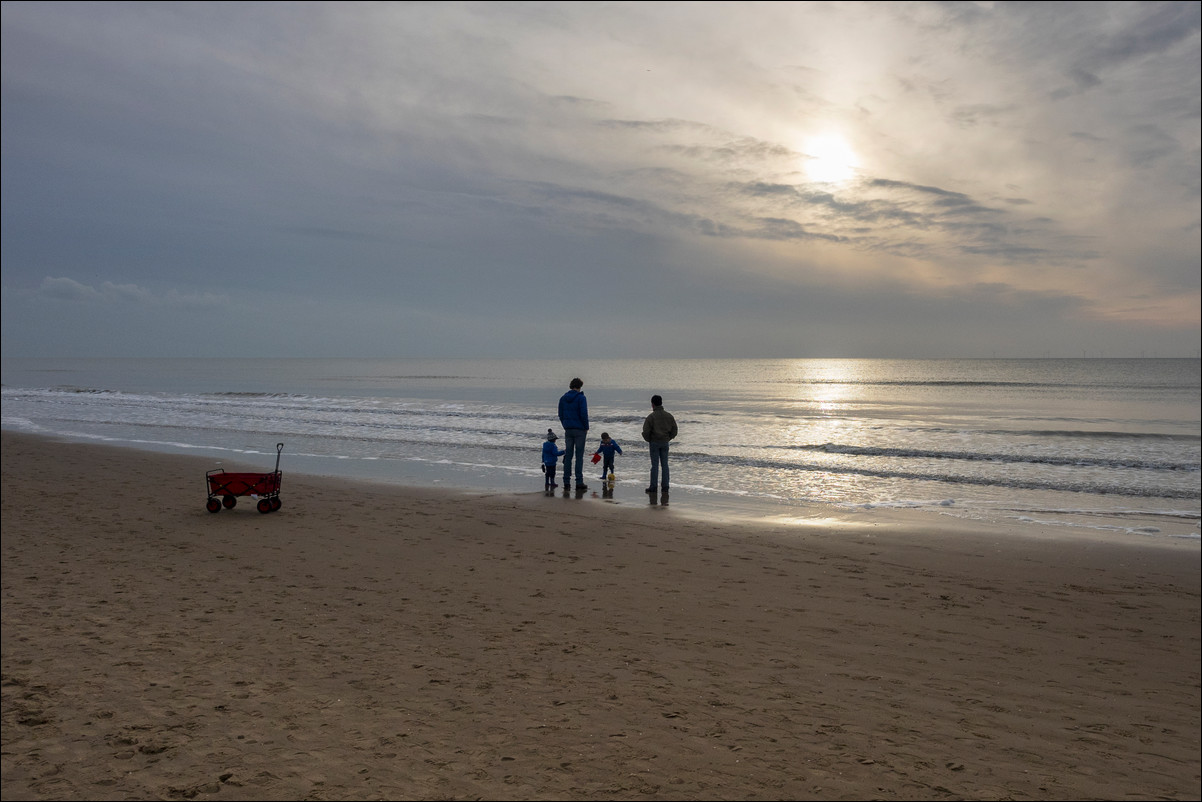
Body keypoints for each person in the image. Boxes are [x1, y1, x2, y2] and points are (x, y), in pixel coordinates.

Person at [557, 377, 589, 490]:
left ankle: (566, 481)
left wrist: (565, 425)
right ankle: (579, 481)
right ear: (579, 387)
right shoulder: (581, 398)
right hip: (579, 429)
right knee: (579, 456)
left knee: (568, 455)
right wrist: (586, 427)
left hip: (568, 429)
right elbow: (584, 414)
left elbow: (560, 414)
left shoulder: (563, 398)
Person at [641, 394, 677, 493]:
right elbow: (675, 430)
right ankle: (665, 486)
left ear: (652, 404)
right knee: (665, 465)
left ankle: (653, 486)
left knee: (655, 465)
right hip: (665, 442)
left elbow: (646, 432)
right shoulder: (669, 416)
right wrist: (668, 438)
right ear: (661, 403)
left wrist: (649, 440)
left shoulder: (651, 417)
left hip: (654, 442)